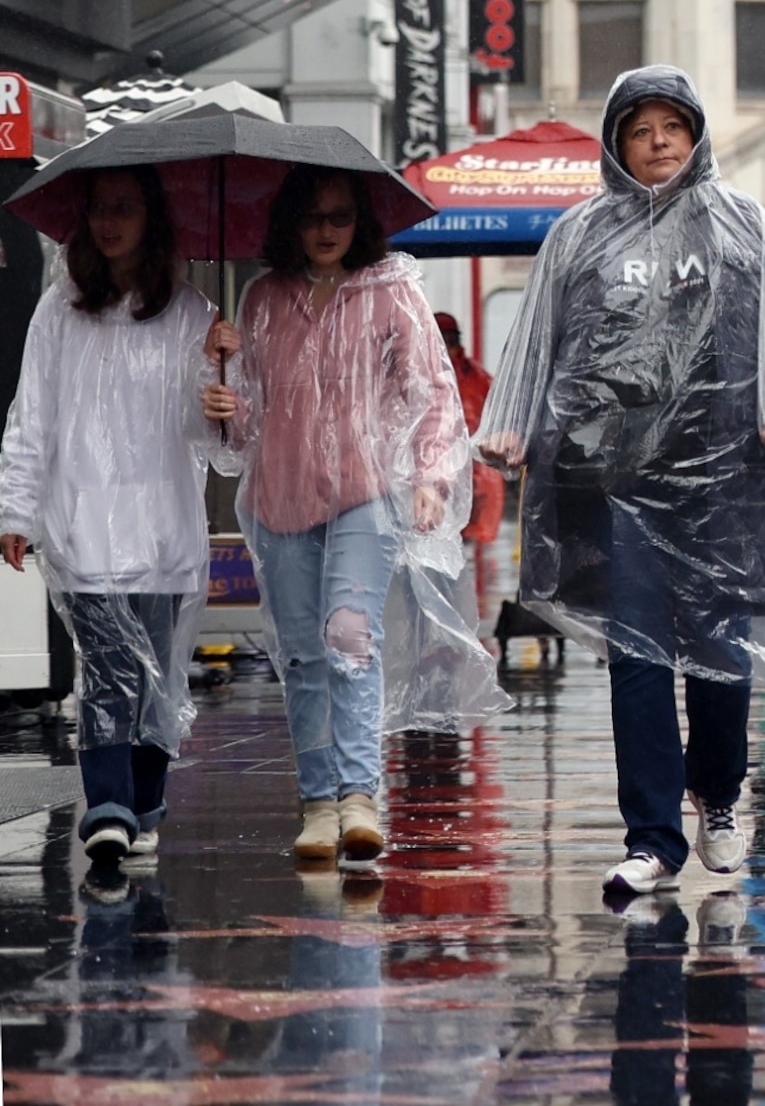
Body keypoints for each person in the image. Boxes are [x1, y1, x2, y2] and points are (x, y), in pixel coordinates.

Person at [476, 69, 765, 903]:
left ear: (698, 136)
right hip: (612, 479)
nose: (660, 141)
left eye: (675, 126)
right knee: (635, 659)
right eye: (642, 128)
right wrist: (510, 421)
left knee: (716, 655)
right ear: (616, 143)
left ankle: (720, 795)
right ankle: (652, 839)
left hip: (723, 477)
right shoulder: (579, 236)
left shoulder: (746, 230)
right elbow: (537, 340)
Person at [201, 167, 470, 867]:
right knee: (301, 653)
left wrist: (432, 478)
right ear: (290, 222)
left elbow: (433, 391)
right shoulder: (260, 299)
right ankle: (318, 800)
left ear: (361, 223)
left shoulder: (392, 293)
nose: (326, 230)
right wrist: (225, 396)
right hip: (279, 497)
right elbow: (245, 432)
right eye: (313, 216)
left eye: (340, 217)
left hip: (364, 492)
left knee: (349, 634)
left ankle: (359, 795)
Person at [0, 167, 217, 871]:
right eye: (98, 209)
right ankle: (110, 806)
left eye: (123, 208)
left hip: (160, 527)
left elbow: (214, 442)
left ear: (150, 218)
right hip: (83, 521)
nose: (108, 222)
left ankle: (143, 802)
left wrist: (224, 381)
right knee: (106, 670)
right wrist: (16, 507)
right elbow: (31, 414)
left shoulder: (191, 314)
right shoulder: (60, 312)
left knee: (154, 679)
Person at [436, 312, 506, 548]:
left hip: (471, 479)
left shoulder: (475, 377)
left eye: (449, 340)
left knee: (466, 551)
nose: (447, 347)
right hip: (448, 478)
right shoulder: (476, 376)